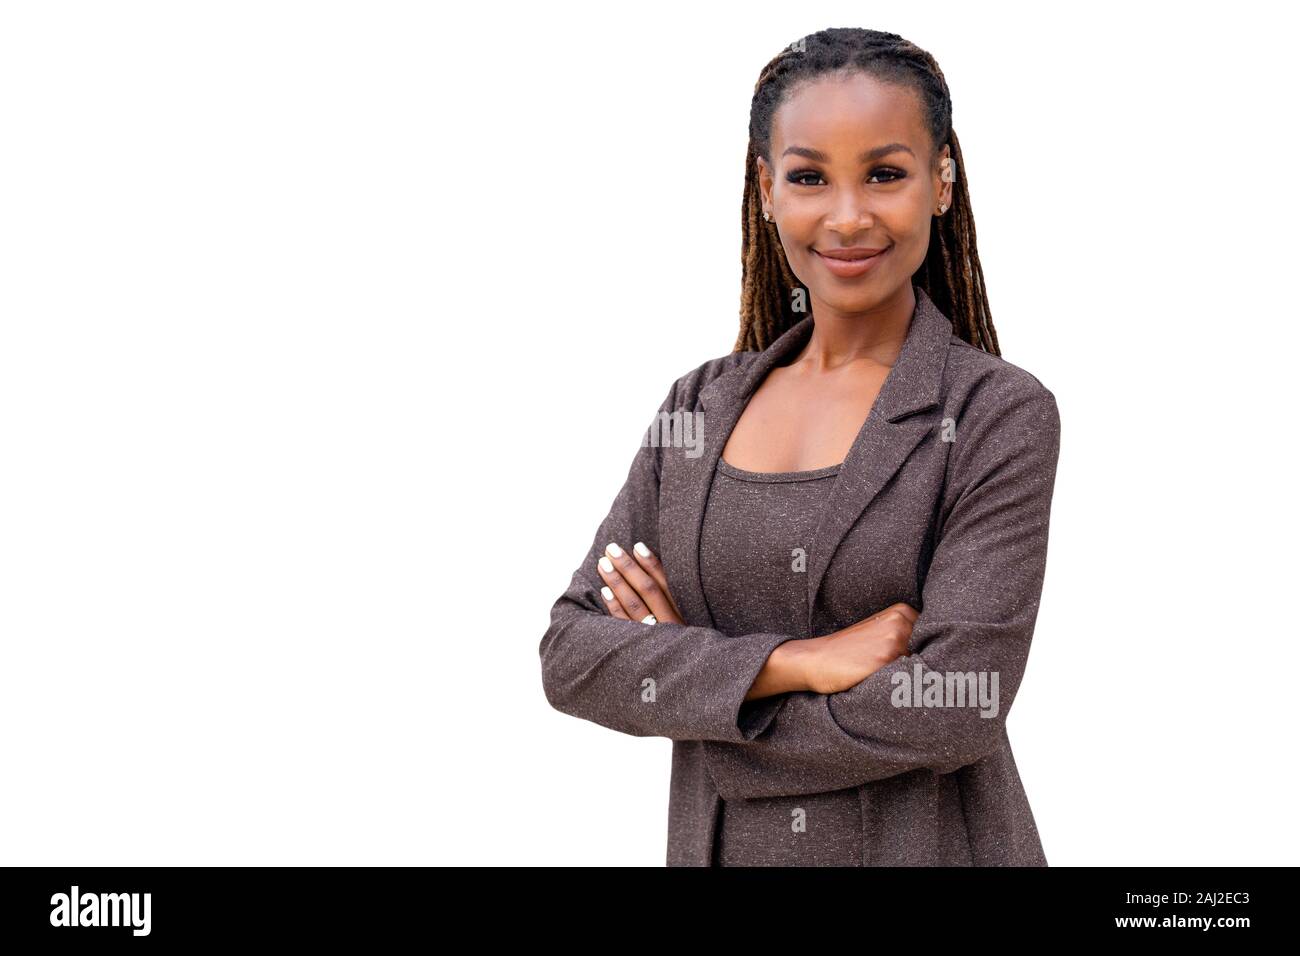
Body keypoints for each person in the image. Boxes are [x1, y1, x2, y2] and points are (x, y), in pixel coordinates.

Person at [539, 27, 1061, 866]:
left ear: (941, 183)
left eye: (885, 175)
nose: (848, 216)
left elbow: (959, 703)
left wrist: (704, 697)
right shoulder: (698, 409)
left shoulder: (998, 413)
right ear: (767, 189)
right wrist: (797, 663)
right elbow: (572, 656)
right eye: (810, 176)